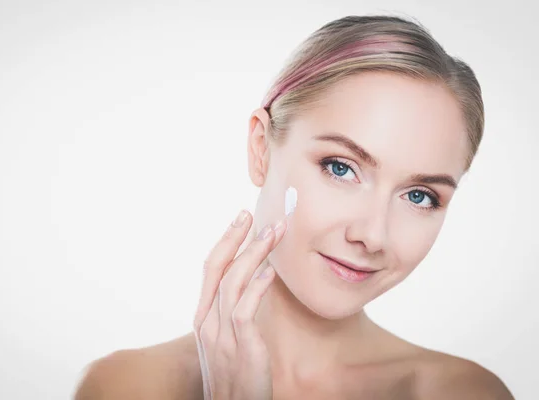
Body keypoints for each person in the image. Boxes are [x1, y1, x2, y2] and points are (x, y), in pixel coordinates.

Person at [73, 14, 514, 399]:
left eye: (420, 196)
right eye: (341, 168)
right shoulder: (124, 387)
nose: (372, 235)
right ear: (262, 148)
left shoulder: (465, 394)